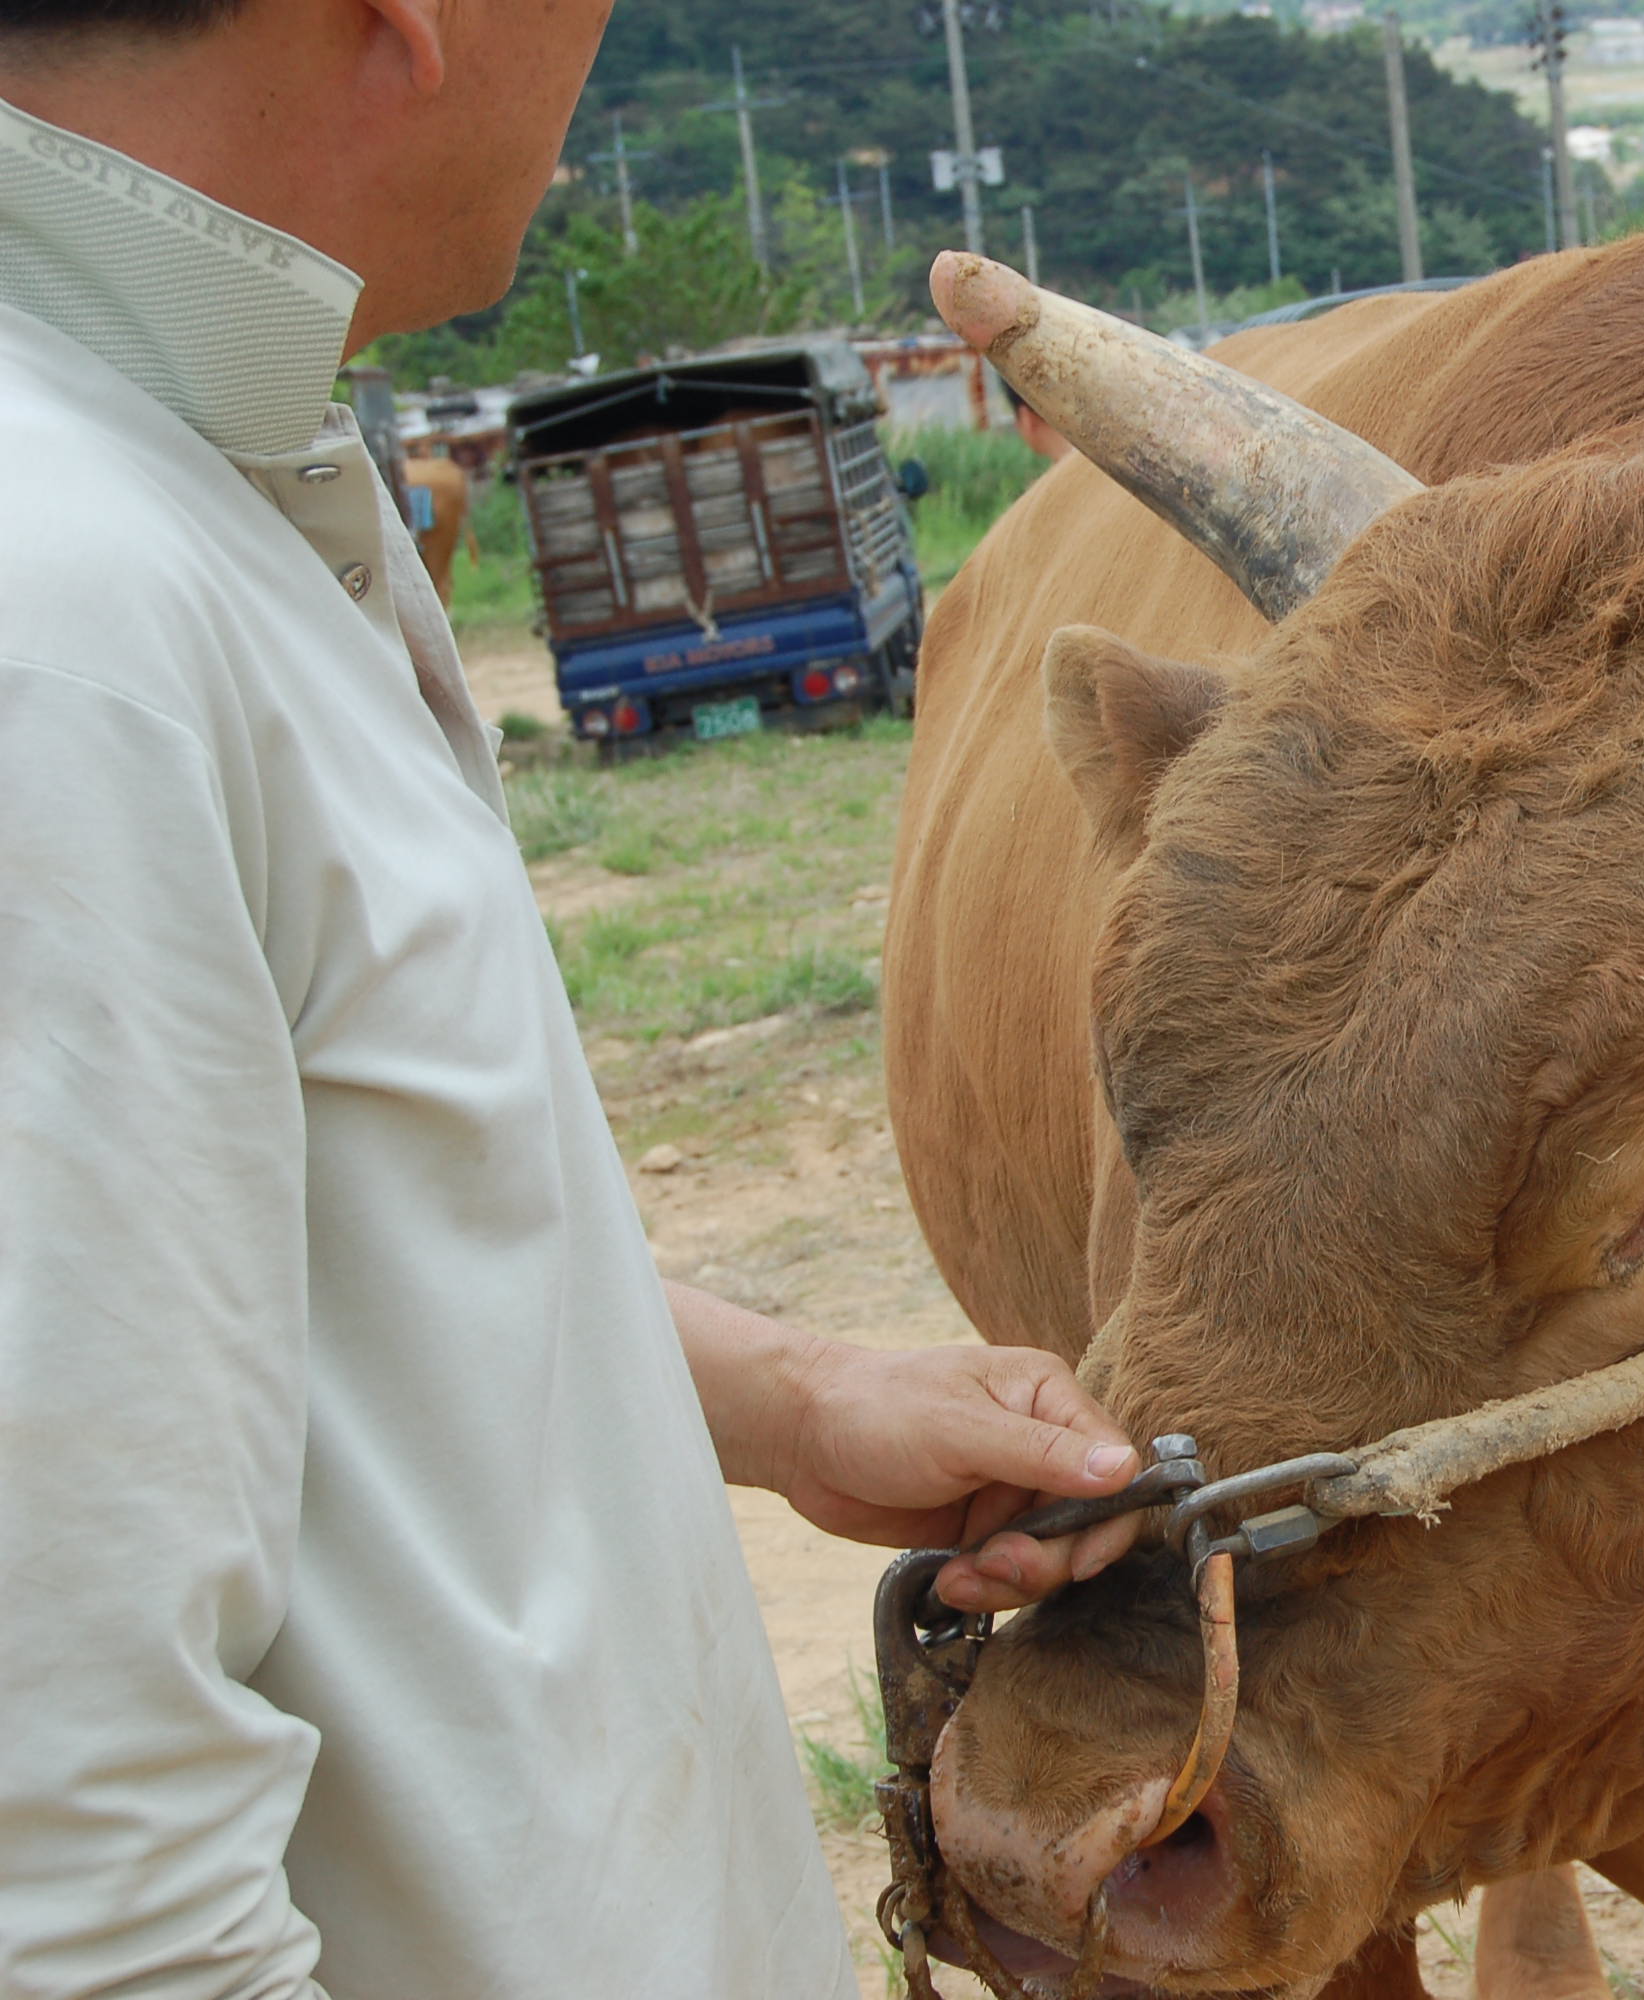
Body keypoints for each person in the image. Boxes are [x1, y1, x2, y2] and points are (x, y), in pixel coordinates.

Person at [0, 2, 1140, 1992]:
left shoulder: (194, 465)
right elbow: (68, 1864)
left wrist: (784, 1398)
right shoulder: (61, 622)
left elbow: (302, 1258)